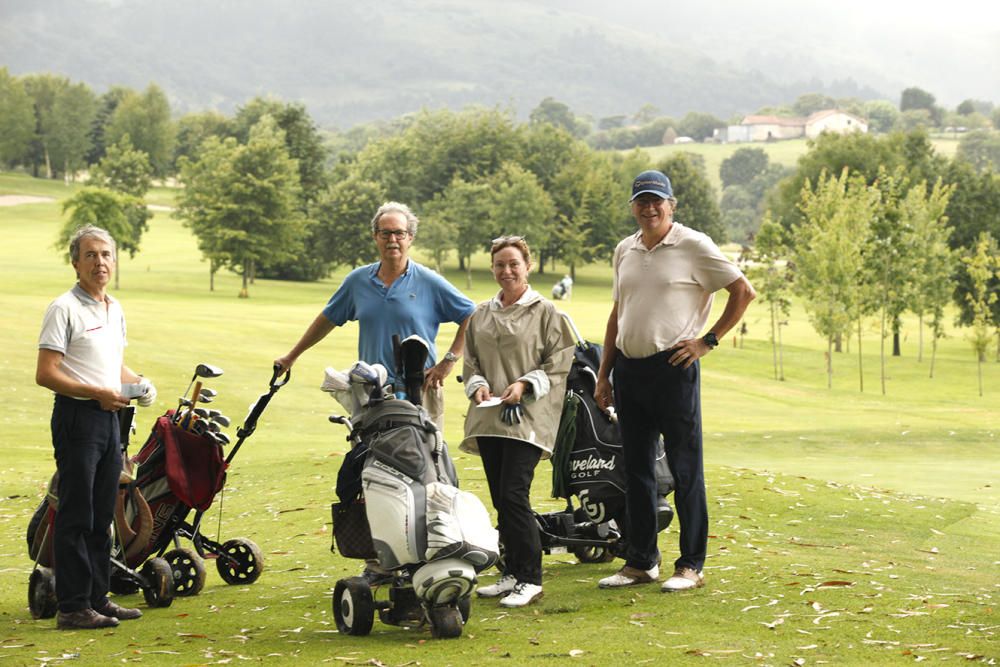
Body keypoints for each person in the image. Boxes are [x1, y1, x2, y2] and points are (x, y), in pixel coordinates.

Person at [594, 170, 755, 593]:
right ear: (632, 206)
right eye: (642, 201)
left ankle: (691, 565)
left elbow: (743, 291)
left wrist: (708, 341)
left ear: (671, 205)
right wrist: (604, 372)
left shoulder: (693, 244)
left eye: (657, 201)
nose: (649, 209)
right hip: (629, 370)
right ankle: (642, 561)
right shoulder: (624, 249)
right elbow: (618, 312)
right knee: (638, 471)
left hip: (673, 368)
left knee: (685, 469)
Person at [36, 225, 157, 630]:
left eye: (105, 254)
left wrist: (138, 382)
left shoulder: (114, 308)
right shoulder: (63, 308)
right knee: (77, 512)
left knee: (104, 511)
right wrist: (95, 393)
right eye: (90, 255)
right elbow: (46, 373)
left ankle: (96, 598)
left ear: (114, 261)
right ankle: (71, 607)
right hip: (77, 417)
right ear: (76, 263)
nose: (99, 262)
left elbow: (112, 366)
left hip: (109, 418)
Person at [274, 201, 474, 426]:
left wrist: (448, 361)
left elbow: (472, 316)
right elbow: (327, 319)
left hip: (419, 390)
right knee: (369, 457)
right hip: (371, 389)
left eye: (399, 233)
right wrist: (291, 357)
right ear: (375, 236)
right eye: (385, 233)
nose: (392, 240)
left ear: (410, 237)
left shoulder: (429, 281)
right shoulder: (357, 282)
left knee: (423, 458)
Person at [459, 236, 575, 608]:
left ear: (527, 266)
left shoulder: (546, 312)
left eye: (513, 264)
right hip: (490, 416)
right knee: (500, 498)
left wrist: (525, 384)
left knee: (513, 494)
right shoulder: (481, 314)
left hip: (527, 417)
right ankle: (510, 570)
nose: (506, 271)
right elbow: (471, 362)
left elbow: (559, 362)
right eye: (499, 265)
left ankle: (531, 578)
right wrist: (477, 386)